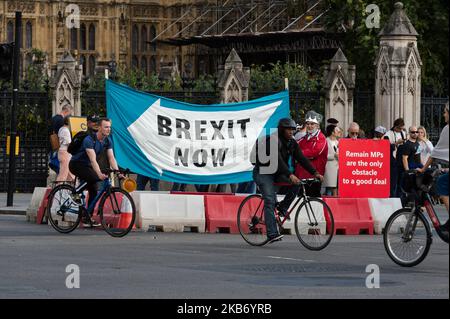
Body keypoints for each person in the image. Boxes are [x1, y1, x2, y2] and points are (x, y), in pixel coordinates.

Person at [251, 118, 323, 244]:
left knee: (298, 184)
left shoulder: (292, 142)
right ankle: (272, 234)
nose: (291, 132)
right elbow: (277, 161)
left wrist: (315, 172)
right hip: (263, 172)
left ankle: (282, 208)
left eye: (293, 129)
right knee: (269, 200)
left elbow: (301, 158)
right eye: (288, 129)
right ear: (281, 129)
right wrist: (290, 175)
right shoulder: (273, 141)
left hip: (277, 172)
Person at [69, 118, 122, 226]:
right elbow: (93, 160)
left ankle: (86, 217)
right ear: (99, 128)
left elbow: (111, 157)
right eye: (106, 127)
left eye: (109, 127)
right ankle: (74, 193)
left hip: (87, 166)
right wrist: (99, 174)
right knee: (94, 178)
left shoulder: (107, 140)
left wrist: (118, 172)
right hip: (76, 164)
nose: (108, 129)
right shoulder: (89, 140)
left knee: (94, 189)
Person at [419, 104, 449, 232]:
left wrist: (423, 169)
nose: (444, 115)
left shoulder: (447, 129)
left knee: (441, 182)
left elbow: (435, 152)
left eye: (445, 112)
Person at [295, 111, 328, 197]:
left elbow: (315, 152)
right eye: (308, 124)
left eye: (312, 124)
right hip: (302, 174)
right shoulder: (304, 138)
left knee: (314, 200)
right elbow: (295, 147)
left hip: (314, 175)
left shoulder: (321, 138)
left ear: (317, 125)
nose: (309, 126)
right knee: (301, 199)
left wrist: (299, 154)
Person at [396, 126, 423, 198]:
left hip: (417, 167)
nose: (415, 133)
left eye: (416, 132)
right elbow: (404, 158)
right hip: (411, 168)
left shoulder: (417, 143)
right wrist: (408, 171)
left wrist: (421, 166)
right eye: (413, 132)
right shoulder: (407, 144)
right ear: (409, 133)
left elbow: (418, 157)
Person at [384, 118, 407, 197]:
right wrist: (397, 143)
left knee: (401, 182)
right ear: (395, 127)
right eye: (399, 128)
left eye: (402, 128)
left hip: (401, 160)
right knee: (393, 182)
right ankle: (392, 198)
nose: (401, 130)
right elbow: (386, 148)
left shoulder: (403, 133)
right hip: (393, 161)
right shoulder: (388, 134)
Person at [323, 125, 342, 196]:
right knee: (329, 189)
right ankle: (327, 205)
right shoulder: (326, 141)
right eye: (337, 130)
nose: (339, 132)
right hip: (329, 169)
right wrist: (333, 156)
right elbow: (323, 156)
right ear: (332, 132)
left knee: (336, 189)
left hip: (337, 168)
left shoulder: (338, 142)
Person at [56, 116, 74, 183]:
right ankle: (57, 189)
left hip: (62, 151)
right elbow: (68, 143)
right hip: (65, 152)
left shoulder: (61, 129)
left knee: (70, 173)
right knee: (63, 173)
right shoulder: (66, 131)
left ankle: (74, 187)